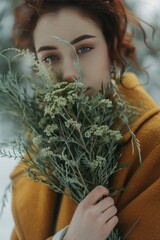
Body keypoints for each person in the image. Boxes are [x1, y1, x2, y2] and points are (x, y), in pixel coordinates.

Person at [10, 0, 160, 239]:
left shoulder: (152, 146)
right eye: (50, 58)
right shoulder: (35, 156)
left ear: (110, 48)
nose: (70, 72)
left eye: (84, 49)